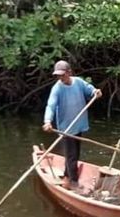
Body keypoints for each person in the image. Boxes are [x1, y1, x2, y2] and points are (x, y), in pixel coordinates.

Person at [42, 60, 102, 190]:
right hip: (66, 128)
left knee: (75, 154)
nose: (60, 78)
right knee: (72, 156)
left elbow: (89, 89)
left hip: (78, 124)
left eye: (62, 75)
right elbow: (50, 106)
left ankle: (67, 174)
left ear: (69, 72)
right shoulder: (57, 88)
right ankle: (73, 182)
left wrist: (95, 92)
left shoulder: (78, 82)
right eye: (58, 75)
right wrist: (47, 121)